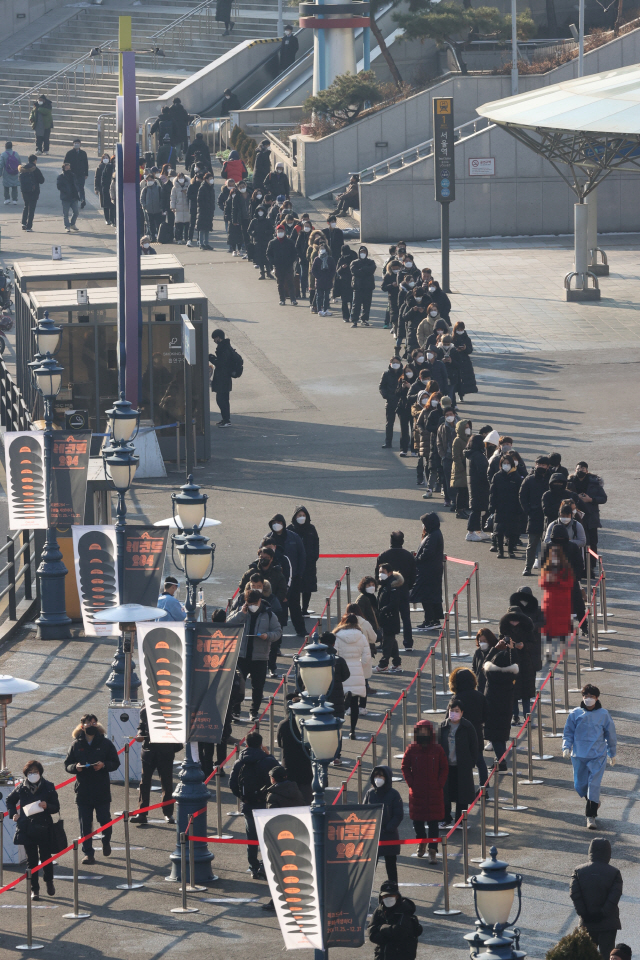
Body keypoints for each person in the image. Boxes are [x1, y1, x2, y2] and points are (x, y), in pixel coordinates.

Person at [63, 713, 120, 863]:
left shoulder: (105, 743)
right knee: (85, 824)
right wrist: (75, 767)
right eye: (89, 723)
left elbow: (115, 762)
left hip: (101, 789)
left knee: (104, 820)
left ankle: (106, 841)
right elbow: (67, 765)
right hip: (83, 790)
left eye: (94, 723)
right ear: (82, 726)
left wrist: (104, 766)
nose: (92, 726)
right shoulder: (76, 744)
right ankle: (88, 853)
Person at [563, 684, 616, 829]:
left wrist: (612, 753)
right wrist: (566, 747)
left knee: (593, 785)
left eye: (591, 697)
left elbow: (610, 735)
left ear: (597, 698)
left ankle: (590, 816)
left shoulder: (604, 714)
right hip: (579, 754)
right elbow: (568, 732)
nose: (588, 699)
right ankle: (594, 802)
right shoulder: (575, 714)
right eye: (586, 696)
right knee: (580, 785)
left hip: (597, 755)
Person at [7, 760, 59, 900]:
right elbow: (10, 800)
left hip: (44, 827)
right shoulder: (21, 788)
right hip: (27, 828)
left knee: (46, 857)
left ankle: (49, 882)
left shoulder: (48, 786)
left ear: (40, 772)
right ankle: (34, 889)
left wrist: (47, 805)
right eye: (30, 772)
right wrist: (14, 814)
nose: (33, 774)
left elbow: (56, 807)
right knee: (32, 860)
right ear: (26, 774)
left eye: (35, 772)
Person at [229, 731, 277, 879]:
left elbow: (232, 784)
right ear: (261, 745)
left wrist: (243, 797)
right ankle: (268, 865)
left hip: (249, 804)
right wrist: (269, 754)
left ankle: (253, 866)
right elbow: (279, 775)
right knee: (269, 836)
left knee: (252, 838)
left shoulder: (239, 762)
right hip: (266, 804)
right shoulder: (268, 760)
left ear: (247, 744)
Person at [401, 719, 447, 864]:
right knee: (417, 822)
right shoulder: (412, 749)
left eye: (426, 731)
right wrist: (411, 782)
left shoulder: (438, 749)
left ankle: (432, 851)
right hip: (417, 792)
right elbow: (405, 767)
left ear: (430, 732)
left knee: (434, 823)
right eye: (421, 731)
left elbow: (444, 768)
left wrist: (440, 783)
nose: (423, 733)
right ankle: (421, 841)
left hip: (434, 792)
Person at [570, 839, 623, 958]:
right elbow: (614, 896)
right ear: (608, 853)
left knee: (586, 955)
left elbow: (575, 894)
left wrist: (584, 914)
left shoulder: (578, 871)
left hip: (586, 923)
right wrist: (602, 913)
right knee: (606, 955)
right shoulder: (614, 873)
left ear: (590, 851)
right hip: (608, 924)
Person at [130, 705, 180, 825]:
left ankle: (168, 813)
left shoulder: (171, 708)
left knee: (166, 782)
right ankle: (142, 813)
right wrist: (140, 734)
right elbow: (142, 726)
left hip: (166, 750)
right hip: (149, 751)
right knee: (144, 782)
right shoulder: (146, 708)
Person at [263, 513, 306, 636]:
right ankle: (276, 632)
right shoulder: (267, 538)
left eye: (279, 523)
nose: (277, 525)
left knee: (295, 605)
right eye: (274, 523)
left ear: (284, 524)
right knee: (276, 606)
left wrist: (300, 575)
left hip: (294, 577)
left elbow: (302, 556)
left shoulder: (294, 537)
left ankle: (301, 630)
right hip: (274, 580)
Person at [448, 667, 489, 793]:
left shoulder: (456, 698)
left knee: (462, 765)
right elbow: (486, 715)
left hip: (460, 735)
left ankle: (463, 788)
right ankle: (484, 787)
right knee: (480, 761)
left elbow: (450, 719)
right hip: (476, 732)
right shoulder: (479, 696)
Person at [439, 698, 478, 826]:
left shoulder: (467, 727)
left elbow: (474, 746)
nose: (454, 713)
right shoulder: (443, 727)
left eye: (457, 711)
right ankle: (446, 818)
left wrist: (470, 763)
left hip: (462, 766)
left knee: (462, 794)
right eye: (451, 710)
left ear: (462, 712)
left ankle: (460, 820)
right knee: (445, 793)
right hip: (446, 766)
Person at [376, 531, 416, 650]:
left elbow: (377, 574)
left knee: (385, 616)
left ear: (391, 541)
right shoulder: (409, 556)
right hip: (403, 590)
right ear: (402, 541)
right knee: (406, 617)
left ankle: (385, 642)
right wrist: (407, 586)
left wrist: (383, 585)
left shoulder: (383, 555)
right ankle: (408, 643)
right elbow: (414, 574)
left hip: (387, 591)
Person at [364, 766, 404, 886]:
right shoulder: (370, 793)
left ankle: (394, 889)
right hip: (373, 836)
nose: (378, 779)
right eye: (376, 776)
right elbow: (364, 812)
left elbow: (398, 815)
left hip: (389, 836)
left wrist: (388, 828)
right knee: (369, 868)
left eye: (381, 776)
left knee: (391, 865)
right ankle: (366, 892)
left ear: (387, 778)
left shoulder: (394, 794)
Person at [482, 640, 519, 770]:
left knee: (494, 736)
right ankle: (500, 760)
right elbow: (515, 663)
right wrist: (512, 649)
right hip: (506, 707)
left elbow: (485, 662)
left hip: (492, 707)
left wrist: (495, 649)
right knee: (501, 735)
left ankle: (501, 761)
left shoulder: (491, 674)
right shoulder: (511, 675)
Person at [335, 612, 371, 737]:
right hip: (356, 669)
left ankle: (338, 729)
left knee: (338, 701)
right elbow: (366, 657)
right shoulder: (361, 636)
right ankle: (353, 730)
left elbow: (335, 655)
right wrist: (360, 665)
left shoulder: (337, 635)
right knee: (355, 703)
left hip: (342, 671)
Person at [567, 462, 607, 575]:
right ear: (575, 470)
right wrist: (576, 498)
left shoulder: (594, 482)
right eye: (579, 468)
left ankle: (591, 568)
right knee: (576, 542)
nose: (581, 470)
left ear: (587, 470)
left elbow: (603, 498)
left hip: (591, 518)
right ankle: (577, 567)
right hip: (575, 517)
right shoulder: (570, 482)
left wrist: (591, 499)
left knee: (592, 543)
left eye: (583, 468)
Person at [499, 605, 536, 725]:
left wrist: (523, 645)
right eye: (511, 619)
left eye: (516, 619)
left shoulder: (527, 629)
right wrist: (505, 645)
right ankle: (515, 715)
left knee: (526, 692)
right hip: (510, 663)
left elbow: (533, 644)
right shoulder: (505, 630)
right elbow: (499, 646)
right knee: (513, 692)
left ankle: (526, 715)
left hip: (525, 664)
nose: (514, 622)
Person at [369, 881, 423, 960]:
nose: (388, 898)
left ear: (397, 896)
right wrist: (388, 937)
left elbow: (400, 932)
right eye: (385, 896)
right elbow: (372, 933)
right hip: (382, 955)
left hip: (401, 955)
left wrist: (381, 928)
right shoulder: (379, 910)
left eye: (391, 895)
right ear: (381, 897)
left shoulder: (405, 910)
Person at [540, 542, 574, 663]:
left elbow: (570, 584)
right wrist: (547, 580)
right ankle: (548, 651)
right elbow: (541, 584)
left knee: (563, 629)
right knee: (548, 627)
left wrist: (557, 581)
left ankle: (562, 651)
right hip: (550, 602)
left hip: (562, 603)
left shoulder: (566, 569)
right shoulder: (547, 568)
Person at [410, 512, 444, 631]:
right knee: (432, 596)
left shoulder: (433, 536)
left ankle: (429, 620)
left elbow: (427, 553)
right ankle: (434, 620)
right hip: (433, 571)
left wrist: (416, 559)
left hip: (428, 571)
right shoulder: (435, 533)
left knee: (426, 596)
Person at [520, 456, 551, 575]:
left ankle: (547, 568)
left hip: (549, 515)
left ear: (548, 467)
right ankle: (528, 567)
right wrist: (528, 510)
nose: (541, 467)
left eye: (543, 465)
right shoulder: (529, 480)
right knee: (532, 543)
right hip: (534, 515)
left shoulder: (552, 479)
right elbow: (522, 496)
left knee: (548, 543)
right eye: (539, 464)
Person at [489, 453, 524, 558]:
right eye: (504, 463)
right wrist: (492, 506)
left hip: (513, 508)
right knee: (498, 531)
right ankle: (500, 551)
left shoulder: (517, 477)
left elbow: (520, 494)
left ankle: (510, 550)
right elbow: (492, 493)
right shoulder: (497, 476)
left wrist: (519, 508)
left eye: (508, 463)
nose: (506, 465)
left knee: (512, 531)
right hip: (500, 508)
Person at [277, 704, 313, 802]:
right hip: (305, 762)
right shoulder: (306, 724)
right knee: (306, 795)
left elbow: (280, 743)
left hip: (289, 762)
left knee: (291, 797)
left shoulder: (283, 724)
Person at [289, 506, 319, 617]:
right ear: (295, 516)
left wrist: (314, 557)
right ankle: (295, 609)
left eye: (303, 515)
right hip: (295, 565)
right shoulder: (290, 529)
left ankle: (304, 609)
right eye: (299, 515)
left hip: (309, 564)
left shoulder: (311, 528)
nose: (302, 517)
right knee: (295, 587)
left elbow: (316, 543)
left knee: (308, 587)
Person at [208, 328, 240, 428]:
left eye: (215, 338)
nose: (214, 340)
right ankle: (225, 419)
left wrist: (211, 358)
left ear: (219, 337)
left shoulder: (224, 349)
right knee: (223, 399)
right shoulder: (225, 347)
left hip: (223, 378)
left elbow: (221, 363)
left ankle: (226, 420)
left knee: (221, 400)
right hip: (224, 378)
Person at [375, 565, 404, 673]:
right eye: (379, 571)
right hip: (386, 618)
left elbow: (394, 603)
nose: (380, 574)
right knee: (392, 641)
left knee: (387, 643)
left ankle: (383, 664)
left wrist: (382, 610)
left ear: (390, 573)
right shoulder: (386, 584)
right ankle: (396, 663)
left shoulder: (393, 586)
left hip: (390, 619)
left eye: (383, 571)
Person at [464, 433, 491, 541]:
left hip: (474, 484)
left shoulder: (470, 454)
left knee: (478, 509)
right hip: (480, 485)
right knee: (477, 510)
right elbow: (483, 472)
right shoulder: (478, 456)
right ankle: (471, 532)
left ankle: (479, 530)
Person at [267, 223, 298, 305]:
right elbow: (268, 254)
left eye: (281, 231)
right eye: (278, 231)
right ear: (276, 232)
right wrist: (273, 262)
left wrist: (291, 261)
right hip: (278, 266)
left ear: (284, 232)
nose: (280, 232)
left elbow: (294, 253)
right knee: (280, 284)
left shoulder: (290, 242)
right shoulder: (272, 242)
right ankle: (282, 299)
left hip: (288, 266)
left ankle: (293, 299)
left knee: (290, 283)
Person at [436, 400, 458, 507]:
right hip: (447, 457)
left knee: (458, 479)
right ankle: (449, 498)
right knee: (447, 478)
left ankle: (458, 498)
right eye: (447, 415)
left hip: (458, 457)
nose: (449, 416)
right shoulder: (442, 427)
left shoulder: (461, 426)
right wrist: (443, 456)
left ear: (454, 414)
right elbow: (439, 443)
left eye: (451, 414)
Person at [379, 357, 403, 449]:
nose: (395, 364)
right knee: (389, 423)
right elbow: (381, 387)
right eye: (393, 362)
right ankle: (388, 442)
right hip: (390, 401)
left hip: (401, 401)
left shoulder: (404, 373)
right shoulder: (386, 374)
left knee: (403, 423)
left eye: (397, 362)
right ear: (390, 364)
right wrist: (386, 396)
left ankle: (405, 442)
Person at [350, 245, 376, 327]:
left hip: (368, 287)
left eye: (364, 252)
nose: (363, 253)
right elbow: (354, 272)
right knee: (356, 304)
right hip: (358, 287)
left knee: (367, 304)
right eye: (361, 252)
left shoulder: (371, 262)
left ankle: (364, 319)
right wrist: (364, 270)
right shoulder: (354, 262)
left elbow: (371, 270)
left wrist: (363, 269)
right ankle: (354, 320)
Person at [450, 419, 471, 519]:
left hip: (466, 467)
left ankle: (463, 509)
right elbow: (455, 456)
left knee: (465, 491)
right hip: (460, 469)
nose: (468, 429)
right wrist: (461, 467)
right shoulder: (457, 440)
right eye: (466, 427)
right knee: (461, 491)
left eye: (468, 427)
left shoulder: (468, 439)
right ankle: (459, 510)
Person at [452, 321, 478, 399]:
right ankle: (457, 393)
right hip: (455, 360)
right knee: (456, 378)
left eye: (461, 329)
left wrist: (465, 348)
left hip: (464, 361)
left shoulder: (466, 338)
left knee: (464, 378)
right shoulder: (452, 338)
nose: (460, 331)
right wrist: (456, 350)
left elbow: (470, 350)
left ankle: (462, 394)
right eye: (458, 329)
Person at [19, 155, 44, 232]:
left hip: (24, 191)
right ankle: (29, 226)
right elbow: (42, 180)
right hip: (34, 191)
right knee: (32, 208)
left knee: (26, 205)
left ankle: (23, 223)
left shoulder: (22, 169)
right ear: (35, 160)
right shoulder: (35, 169)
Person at [311, 240, 336, 315]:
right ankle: (319, 310)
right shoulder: (317, 259)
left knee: (327, 296)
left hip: (328, 280)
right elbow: (313, 270)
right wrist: (318, 276)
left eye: (323, 248)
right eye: (321, 249)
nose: (322, 250)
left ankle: (326, 309)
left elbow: (333, 269)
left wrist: (330, 277)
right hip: (319, 281)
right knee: (319, 296)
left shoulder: (330, 259)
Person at [248, 204, 273, 279]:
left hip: (266, 242)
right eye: (259, 211)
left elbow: (272, 230)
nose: (260, 212)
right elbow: (249, 230)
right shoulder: (254, 221)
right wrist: (253, 233)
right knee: (260, 259)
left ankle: (268, 272)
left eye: (262, 211)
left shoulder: (267, 221)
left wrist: (267, 232)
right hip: (257, 242)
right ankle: (262, 273)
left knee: (267, 258)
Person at [472, 628, 498, 694]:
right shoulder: (478, 652)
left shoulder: (496, 652)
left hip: (492, 687)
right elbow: (474, 667)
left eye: (485, 641)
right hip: (480, 686)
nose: (482, 643)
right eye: (480, 641)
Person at [56, 162, 81, 234]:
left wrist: (77, 190)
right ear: (63, 168)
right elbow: (59, 186)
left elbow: (76, 183)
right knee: (65, 214)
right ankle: (67, 226)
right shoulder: (61, 176)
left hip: (74, 197)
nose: (68, 168)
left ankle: (72, 224)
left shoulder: (73, 175)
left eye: (69, 167)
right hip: (65, 197)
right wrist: (66, 191)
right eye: (66, 167)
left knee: (76, 212)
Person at [140, 172, 163, 241]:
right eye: (148, 180)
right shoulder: (145, 189)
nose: (149, 181)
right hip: (149, 210)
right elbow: (142, 199)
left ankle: (159, 236)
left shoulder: (158, 188)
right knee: (151, 224)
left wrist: (160, 206)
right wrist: (144, 206)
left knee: (158, 224)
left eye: (150, 180)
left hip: (158, 209)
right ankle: (153, 237)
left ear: (154, 180)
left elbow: (162, 198)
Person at [196, 172, 215, 250]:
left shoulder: (211, 188)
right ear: (206, 179)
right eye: (210, 179)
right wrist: (204, 207)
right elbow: (199, 200)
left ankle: (206, 243)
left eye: (212, 178)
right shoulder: (203, 187)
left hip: (209, 210)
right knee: (202, 228)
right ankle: (201, 243)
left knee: (207, 228)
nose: (212, 180)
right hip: (203, 210)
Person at [170, 171, 190, 243]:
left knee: (187, 224)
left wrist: (187, 192)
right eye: (179, 178)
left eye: (182, 177)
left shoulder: (188, 186)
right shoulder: (174, 188)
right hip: (178, 208)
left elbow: (191, 196)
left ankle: (187, 238)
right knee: (179, 224)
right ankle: (179, 238)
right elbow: (173, 198)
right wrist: (173, 207)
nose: (181, 179)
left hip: (187, 207)